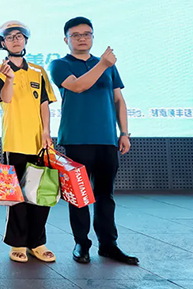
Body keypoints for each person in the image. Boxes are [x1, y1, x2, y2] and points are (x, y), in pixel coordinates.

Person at [49, 17, 138, 265]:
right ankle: (82, 243)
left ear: (92, 37)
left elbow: (118, 100)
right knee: (78, 196)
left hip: (107, 139)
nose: (82, 38)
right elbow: (78, 86)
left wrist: (124, 132)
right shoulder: (59, 64)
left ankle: (109, 245)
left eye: (87, 34)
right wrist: (103, 65)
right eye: (76, 35)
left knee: (105, 196)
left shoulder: (107, 65)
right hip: (77, 139)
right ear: (66, 39)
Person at [0, 21, 56, 263]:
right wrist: (8, 79)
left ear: (26, 40)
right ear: (3, 43)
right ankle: (17, 243)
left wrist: (46, 131)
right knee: (17, 196)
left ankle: (37, 242)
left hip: (39, 143)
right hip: (15, 142)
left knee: (41, 195)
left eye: (19, 36)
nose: (15, 40)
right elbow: (5, 99)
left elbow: (44, 103)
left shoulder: (39, 71)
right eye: (10, 37)